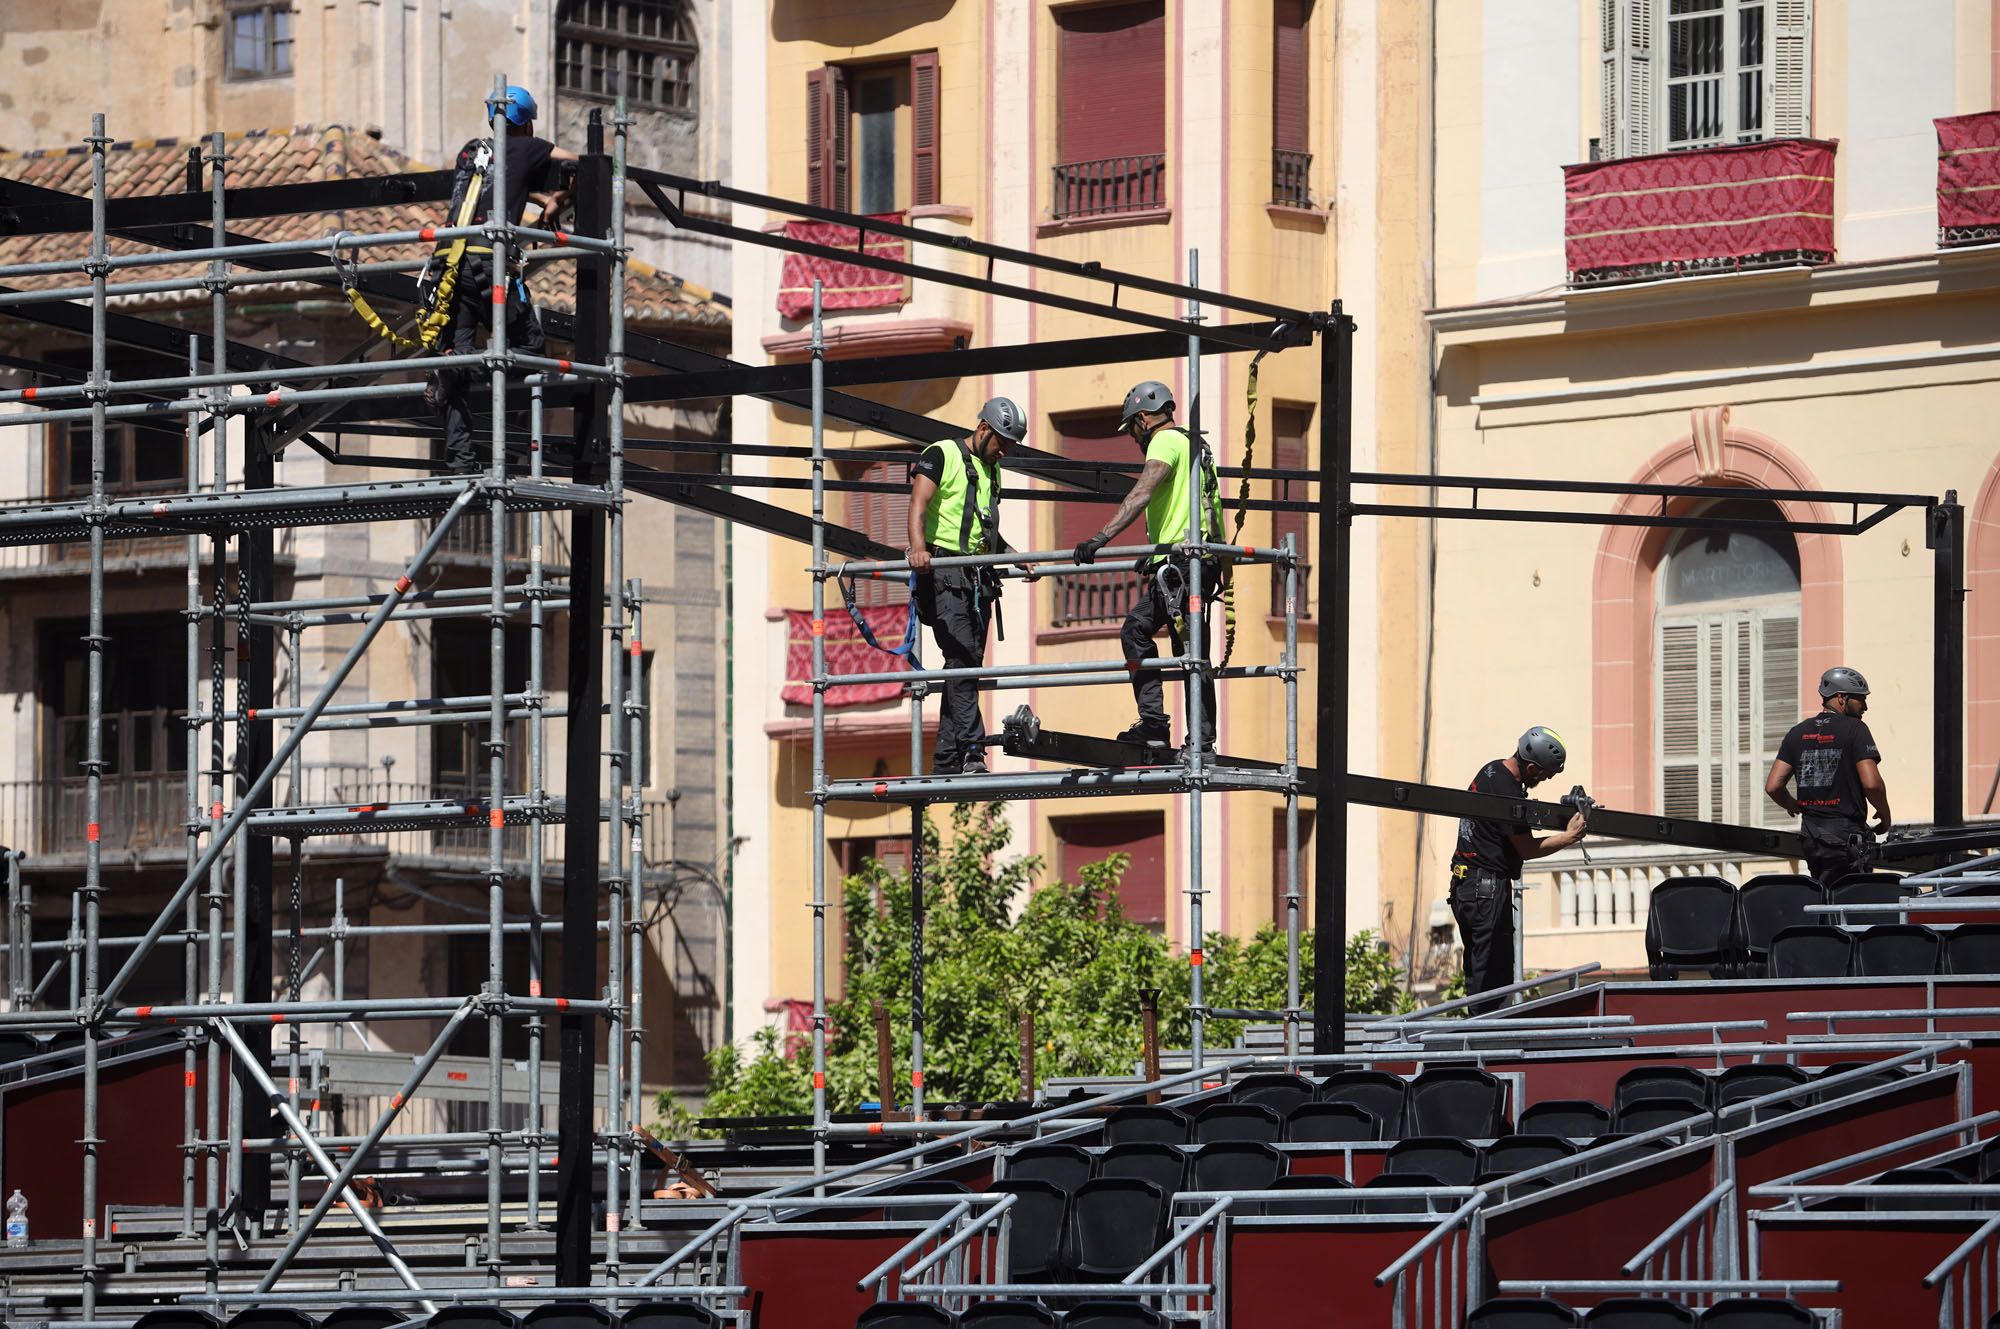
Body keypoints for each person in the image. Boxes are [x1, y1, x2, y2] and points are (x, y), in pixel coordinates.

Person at [1072, 379, 1226, 753]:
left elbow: (1143, 490)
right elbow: (1204, 508)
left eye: (1133, 431)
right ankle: (1182, 734)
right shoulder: (1196, 446)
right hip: (1191, 560)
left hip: (1182, 567)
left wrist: (1100, 537)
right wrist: (1158, 553)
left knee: (1169, 643)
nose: (1135, 440)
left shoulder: (1164, 442)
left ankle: (1175, 732)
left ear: (1142, 419)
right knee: (1180, 646)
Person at [434, 86, 578, 475]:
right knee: (530, 347)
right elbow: (582, 164)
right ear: (526, 122)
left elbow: (491, 187)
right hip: (489, 264)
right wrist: (560, 196)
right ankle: (461, 369)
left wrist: (536, 199)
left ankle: (461, 462)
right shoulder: (529, 148)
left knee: (456, 353)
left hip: (451, 263)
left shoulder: (471, 151)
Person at [906, 397, 1025, 775]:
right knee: (962, 661)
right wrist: (919, 551)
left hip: (978, 579)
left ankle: (946, 759)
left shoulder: (992, 469)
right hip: (944, 573)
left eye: (1011, 445)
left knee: (966, 664)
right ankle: (972, 749)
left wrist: (1013, 555)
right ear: (984, 428)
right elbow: (918, 505)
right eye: (1002, 442)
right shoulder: (941, 454)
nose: (1005, 451)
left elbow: (984, 528)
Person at [1450, 726, 1588, 1004]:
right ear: (1532, 767)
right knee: (1493, 978)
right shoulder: (1508, 792)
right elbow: (1526, 849)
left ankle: (1481, 1033)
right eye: (1545, 773)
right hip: (1484, 890)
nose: (1545, 778)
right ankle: (1485, 1038)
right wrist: (1569, 837)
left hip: (1468, 887)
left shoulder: (1491, 771)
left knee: (1481, 971)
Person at [1766, 666, 1891, 885]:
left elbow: (1773, 786)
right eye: (1861, 699)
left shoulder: (1797, 732)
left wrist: (1792, 804)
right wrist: (1884, 812)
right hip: (1846, 835)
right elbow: (1871, 784)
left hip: (1812, 835)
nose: (1865, 707)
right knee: (1851, 900)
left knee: (1824, 896)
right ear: (1842, 698)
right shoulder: (1855, 729)